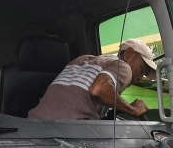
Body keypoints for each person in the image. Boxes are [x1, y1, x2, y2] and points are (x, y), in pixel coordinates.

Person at [28, 39, 156, 121]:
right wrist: (131, 110)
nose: (140, 78)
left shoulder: (83, 59)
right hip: (65, 132)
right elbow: (98, 89)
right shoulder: (124, 67)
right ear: (128, 54)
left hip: (32, 123)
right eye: (143, 70)